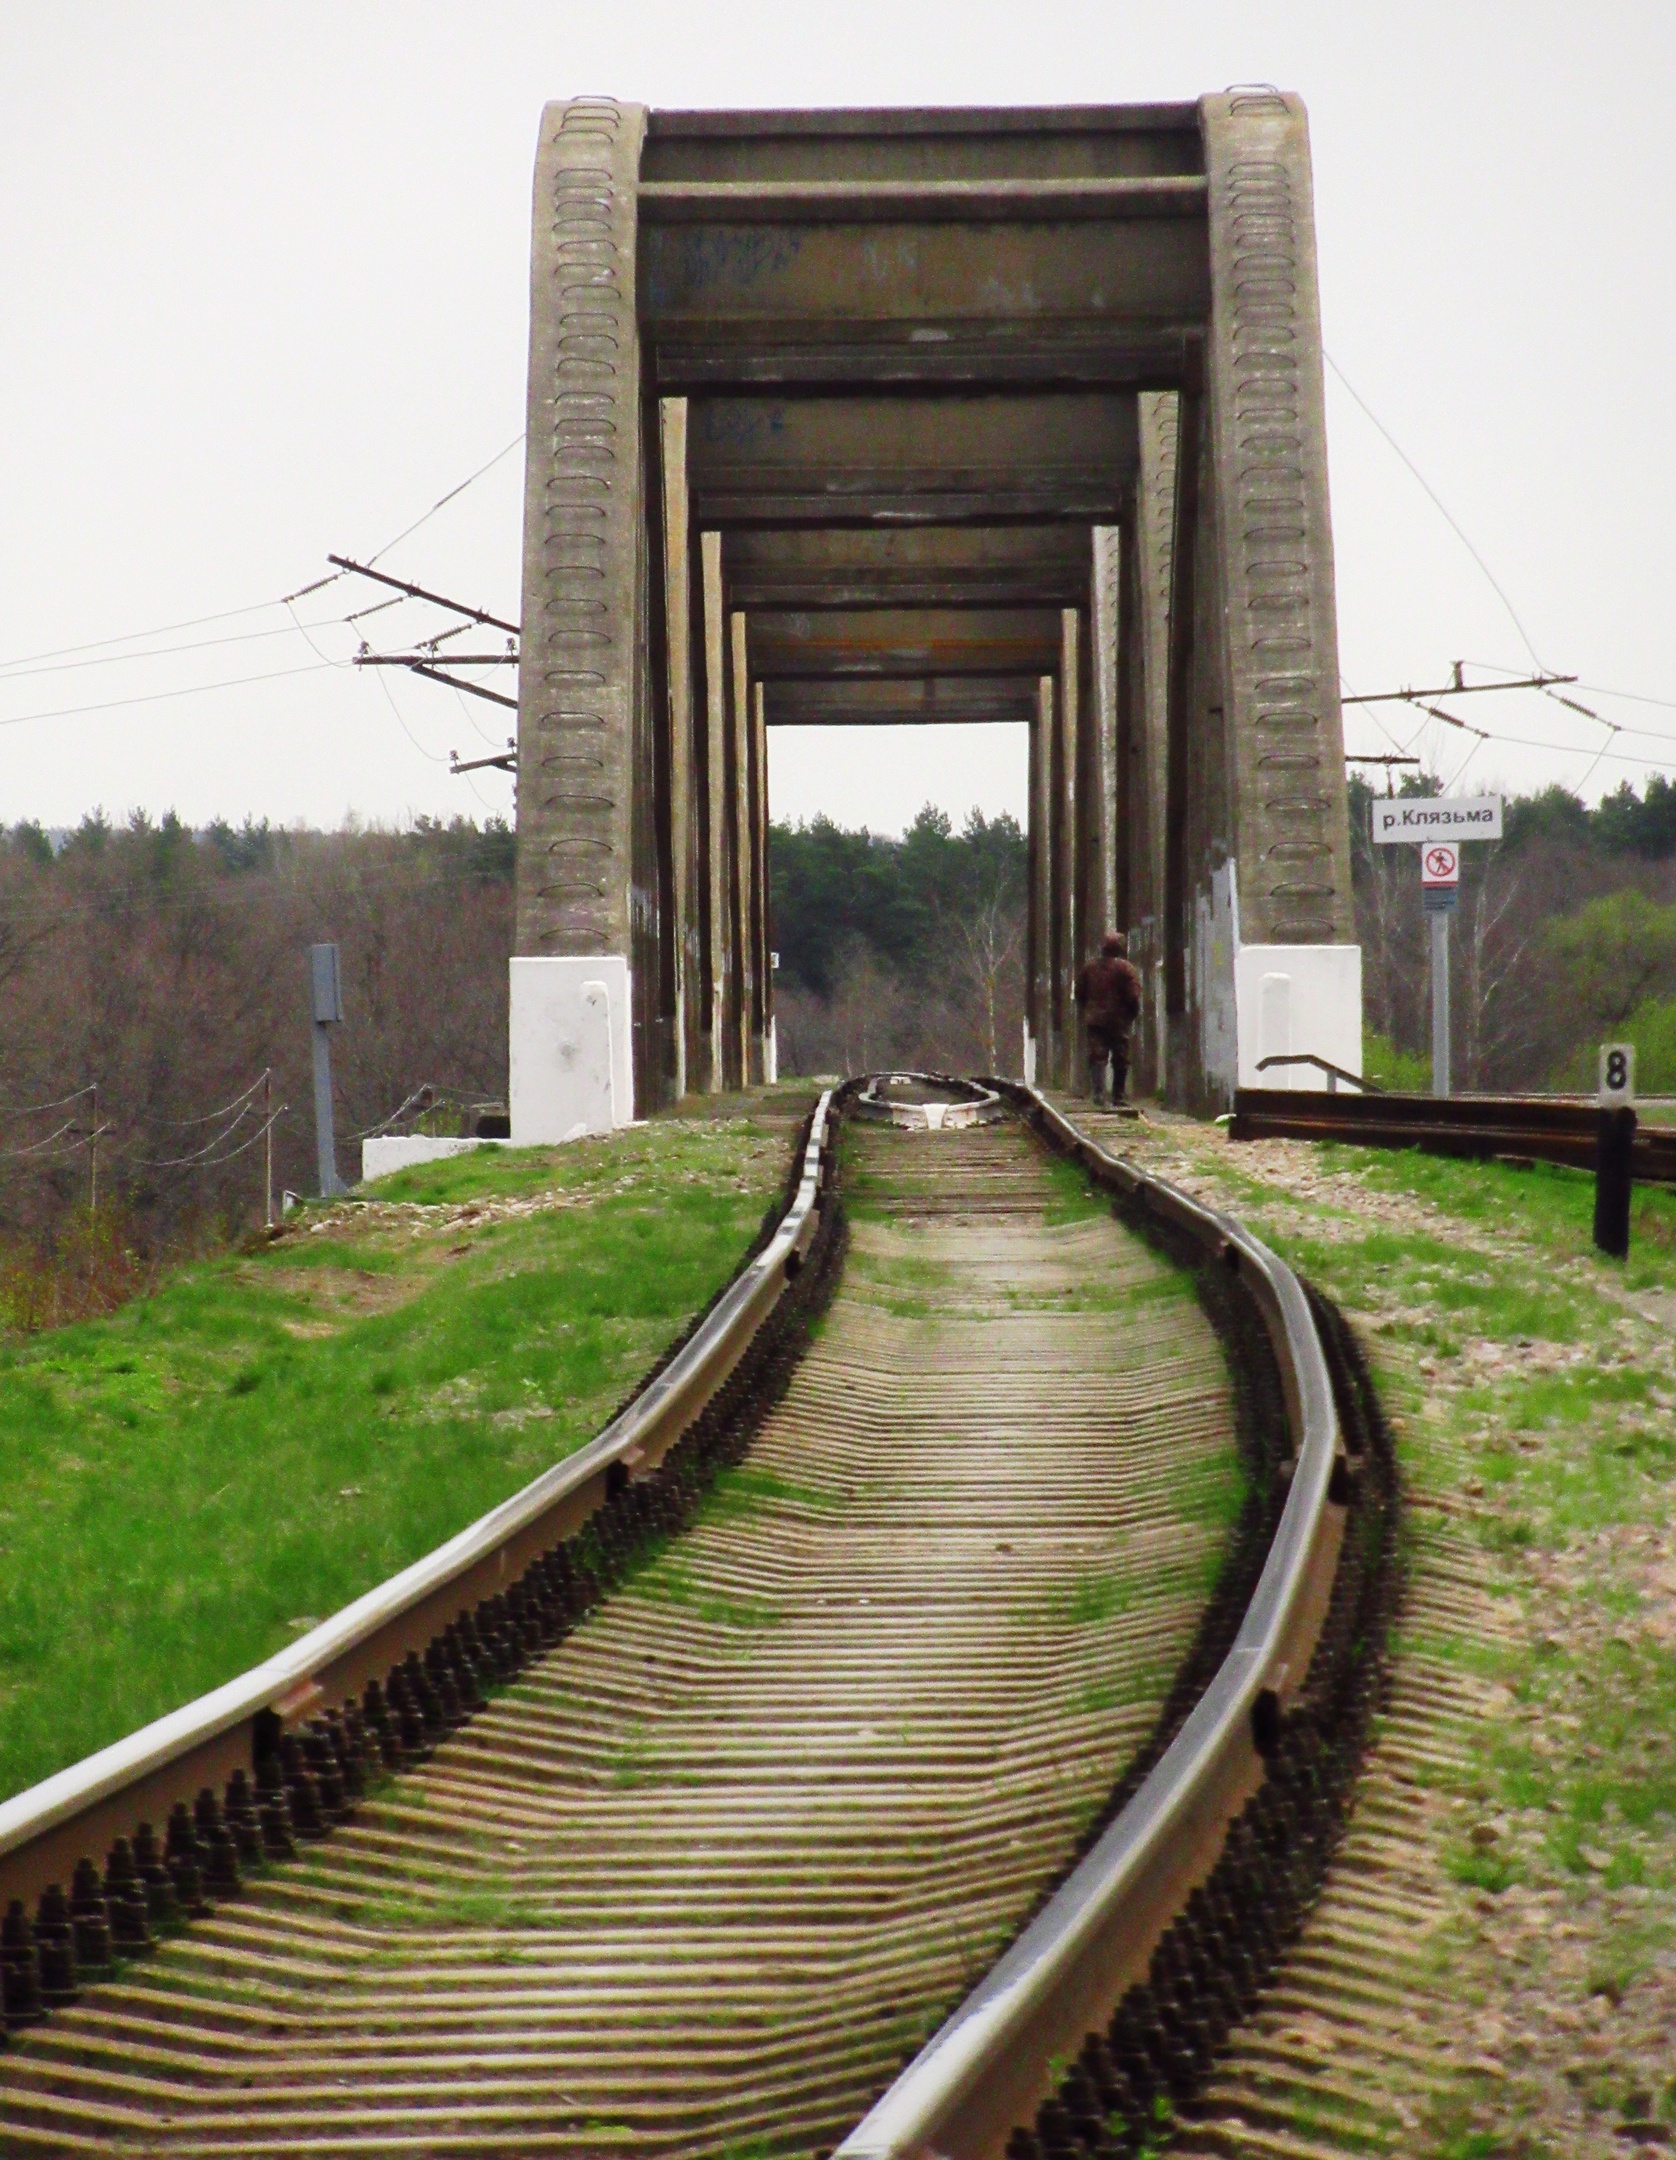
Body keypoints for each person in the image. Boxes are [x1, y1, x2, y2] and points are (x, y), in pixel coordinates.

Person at [1076, 930, 1143, 1106]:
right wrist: (1132, 1013)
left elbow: (1080, 993)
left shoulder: (1089, 967)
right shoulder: (1126, 969)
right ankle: (1118, 1096)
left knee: (1097, 1056)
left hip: (1095, 1020)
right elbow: (1134, 995)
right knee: (1120, 1058)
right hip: (1119, 1021)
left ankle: (1098, 1094)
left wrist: (1088, 1009)